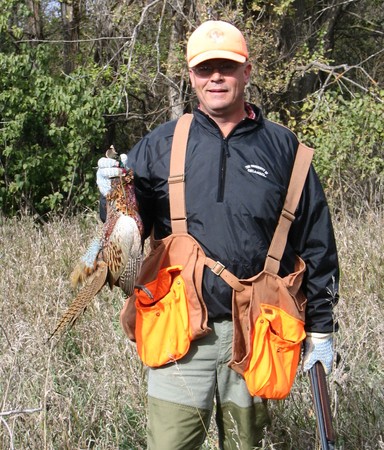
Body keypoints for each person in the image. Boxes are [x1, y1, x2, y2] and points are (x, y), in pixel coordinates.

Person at [97, 20, 339, 450]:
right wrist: (114, 194)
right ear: (191, 77)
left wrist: (321, 329)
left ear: (246, 72)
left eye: (226, 67)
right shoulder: (161, 144)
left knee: (249, 445)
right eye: (205, 69)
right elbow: (128, 233)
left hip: (259, 328)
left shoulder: (285, 149)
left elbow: (316, 241)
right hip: (179, 331)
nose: (215, 78)